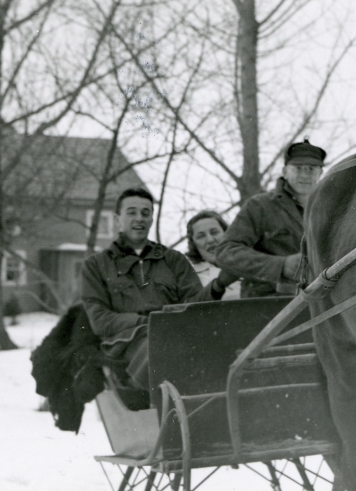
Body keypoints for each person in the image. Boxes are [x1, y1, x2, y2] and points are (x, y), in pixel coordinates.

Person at [81, 187, 232, 390]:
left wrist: (217, 286)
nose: (139, 219)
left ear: (152, 220)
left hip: (177, 336)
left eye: (146, 213)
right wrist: (150, 321)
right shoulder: (96, 265)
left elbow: (196, 306)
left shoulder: (173, 260)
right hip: (127, 344)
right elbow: (99, 320)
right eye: (131, 212)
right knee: (164, 349)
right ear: (117, 220)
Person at [214, 138, 326, 298]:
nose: (305, 174)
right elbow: (225, 252)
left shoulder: (331, 209)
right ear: (284, 171)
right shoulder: (260, 206)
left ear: (320, 173)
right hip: (268, 305)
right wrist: (280, 265)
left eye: (311, 169)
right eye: (298, 168)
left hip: (322, 303)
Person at [186, 210, 241, 300]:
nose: (210, 240)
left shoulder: (247, 263)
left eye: (214, 232)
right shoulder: (190, 276)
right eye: (201, 236)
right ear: (193, 244)